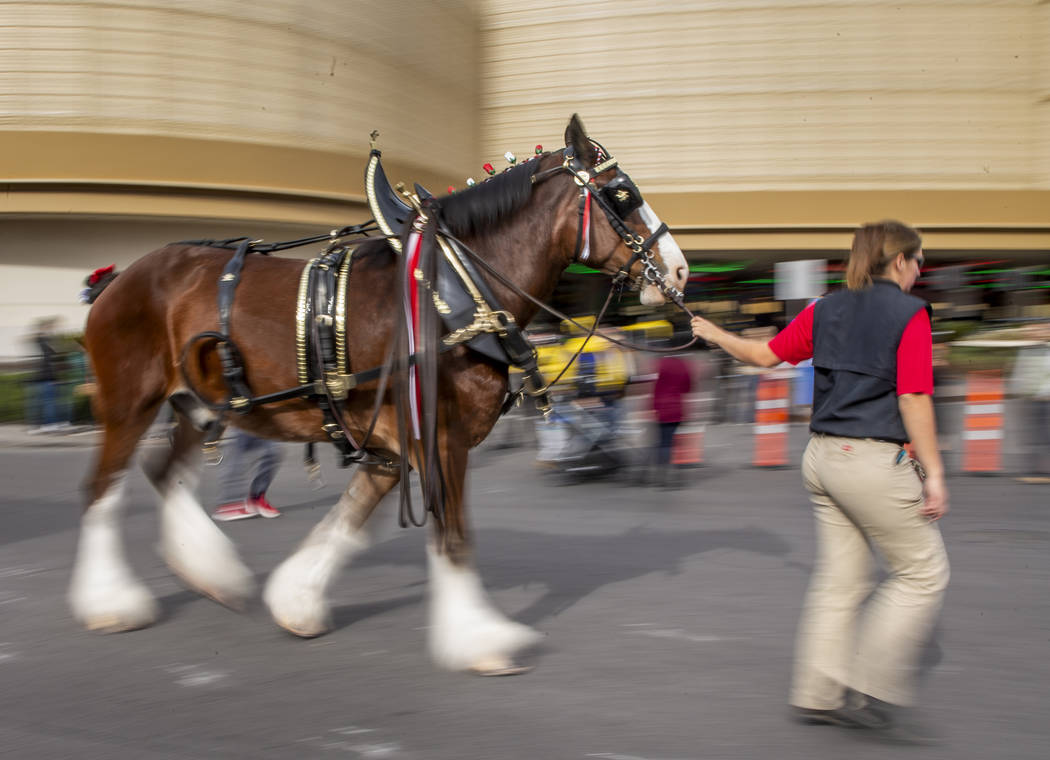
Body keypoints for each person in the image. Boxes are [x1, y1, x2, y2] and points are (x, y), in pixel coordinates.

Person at [691, 220, 949, 743]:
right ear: (899, 261)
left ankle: (818, 692)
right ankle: (870, 686)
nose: (921, 271)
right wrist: (936, 474)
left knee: (841, 582)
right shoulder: (911, 314)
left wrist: (715, 333)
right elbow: (914, 397)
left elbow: (765, 357)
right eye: (919, 261)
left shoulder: (824, 308)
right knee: (923, 574)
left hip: (821, 460)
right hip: (872, 462)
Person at [1008, 322, 1050, 483]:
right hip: (1029, 399)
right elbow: (1020, 371)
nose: (1036, 332)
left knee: (1046, 436)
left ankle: (1043, 471)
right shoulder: (1026, 350)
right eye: (1033, 330)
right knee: (1030, 436)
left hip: (1046, 399)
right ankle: (1032, 470)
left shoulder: (1047, 351)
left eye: (1041, 329)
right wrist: (1017, 390)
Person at [212, 429, 283, 521]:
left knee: (273, 450)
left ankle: (256, 497)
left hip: (260, 419)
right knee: (236, 449)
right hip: (239, 420)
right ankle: (229, 504)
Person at [650, 348, 693, 487]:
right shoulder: (683, 364)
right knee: (673, 442)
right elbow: (687, 387)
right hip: (677, 409)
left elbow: (655, 388)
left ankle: (662, 476)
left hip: (662, 409)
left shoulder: (660, 364)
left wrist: (653, 407)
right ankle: (675, 474)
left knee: (663, 442)